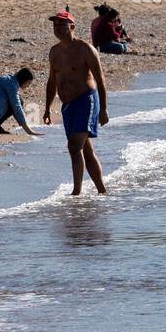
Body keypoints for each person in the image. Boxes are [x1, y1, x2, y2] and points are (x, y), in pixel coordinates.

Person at [44, 10, 110, 196]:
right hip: (68, 105)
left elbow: (100, 79)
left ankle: (76, 193)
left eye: (61, 24)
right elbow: (52, 81)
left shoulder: (85, 49)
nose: (57, 28)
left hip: (86, 100)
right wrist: (47, 107)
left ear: (72, 26)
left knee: (74, 146)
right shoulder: (54, 52)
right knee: (86, 150)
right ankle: (102, 191)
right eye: (55, 25)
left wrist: (104, 108)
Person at [0, 68, 41, 135]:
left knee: (18, 101)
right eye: (28, 83)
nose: (28, 86)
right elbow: (16, 107)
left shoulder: (9, 79)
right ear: (24, 80)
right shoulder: (12, 85)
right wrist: (28, 130)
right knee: (18, 102)